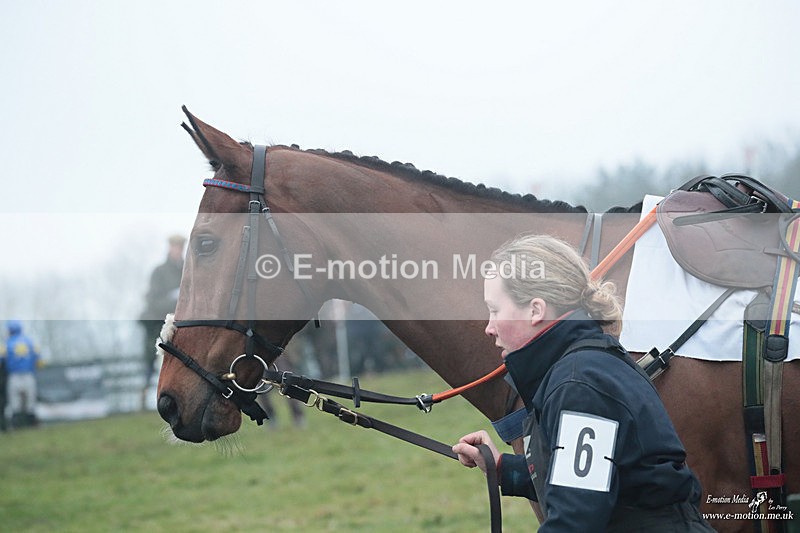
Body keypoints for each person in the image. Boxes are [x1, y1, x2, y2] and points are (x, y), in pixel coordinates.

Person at [452, 234, 714, 532]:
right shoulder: (582, 369)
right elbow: (590, 481)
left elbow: (575, 520)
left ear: (536, 310)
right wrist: (503, 469)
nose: (489, 327)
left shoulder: (579, 385)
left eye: (496, 310)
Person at [140, 234, 186, 404]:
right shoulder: (159, 272)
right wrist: (173, 298)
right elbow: (152, 300)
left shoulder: (186, 269)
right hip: (156, 322)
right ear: (170, 247)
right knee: (151, 359)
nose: (178, 250)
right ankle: (145, 396)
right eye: (175, 246)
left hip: (178, 321)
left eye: (180, 247)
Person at [4, 320, 41, 428]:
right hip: (28, 375)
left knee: (14, 401)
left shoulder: (7, 343)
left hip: (14, 376)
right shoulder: (30, 341)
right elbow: (39, 360)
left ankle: (16, 425)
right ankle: (33, 423)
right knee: (30, 400)